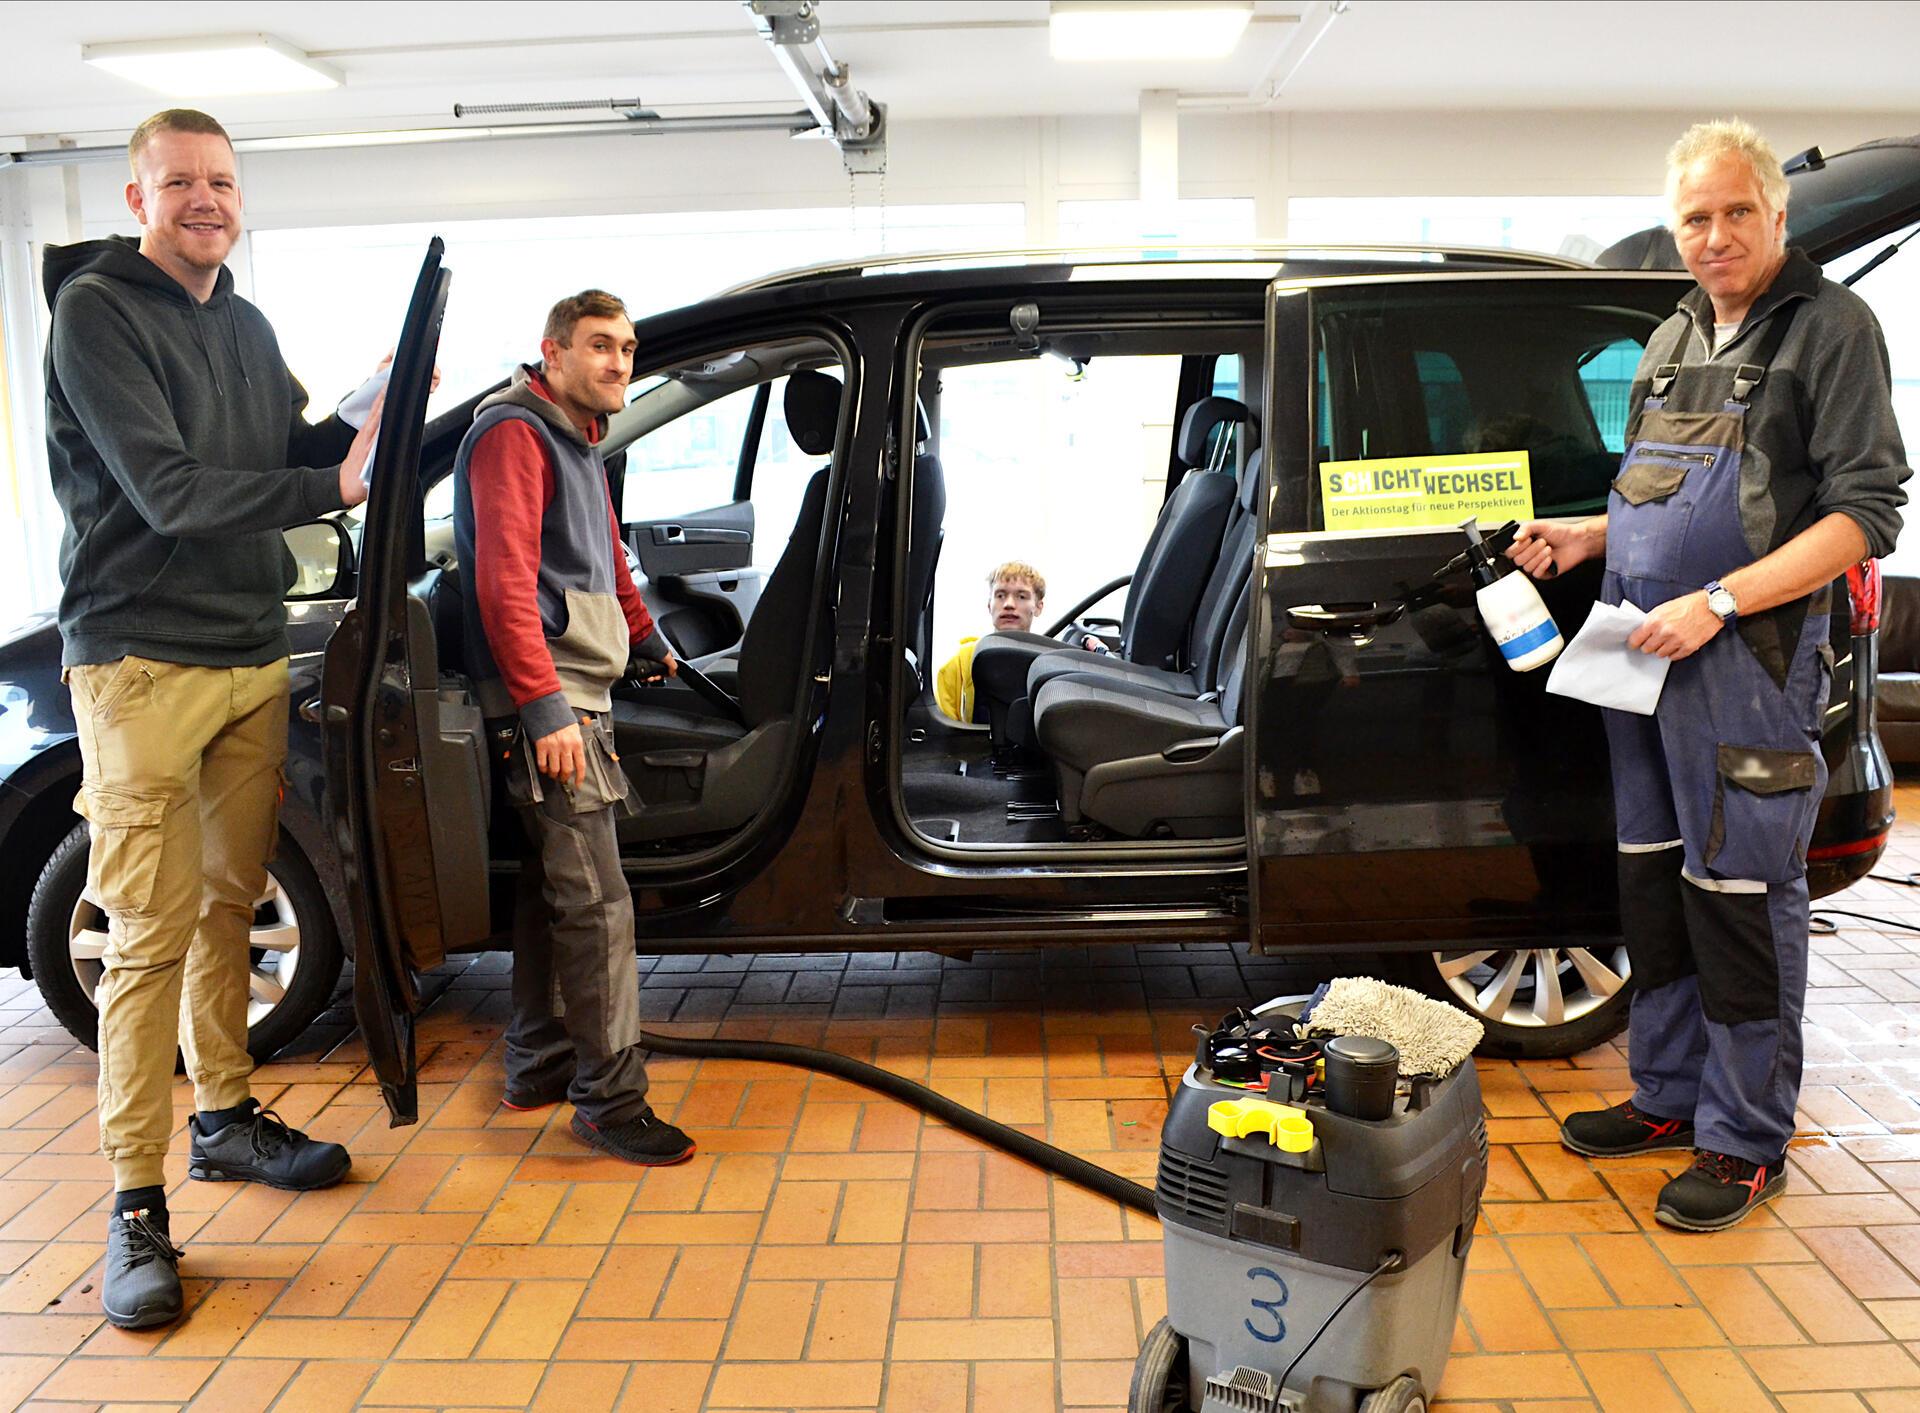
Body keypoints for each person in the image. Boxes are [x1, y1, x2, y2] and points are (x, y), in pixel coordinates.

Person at [1509, 119, 1910, 1231]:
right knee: (1655, 882)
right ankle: (1670, 1094)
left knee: (1740, 898)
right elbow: (1652, 490)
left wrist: (1723, 601)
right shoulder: (1676, 330)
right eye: (1696, 217)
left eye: (1738, 212)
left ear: (1777, 215)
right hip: (1640, 652)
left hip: (1747, 662)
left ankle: (1744, 1140)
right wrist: (1589, 538)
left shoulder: (1830, 330)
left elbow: (1865, 515)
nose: (1717, 235)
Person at [43, 108, 380, 1328]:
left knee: (230, 907)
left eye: (222, 181)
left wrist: (366, 415)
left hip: (245, 654)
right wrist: (328, 481)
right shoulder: (96, 313)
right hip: (138, 661)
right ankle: (136, 1207)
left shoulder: (244, 317)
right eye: (179, 181)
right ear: (138, 196)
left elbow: (287, 447)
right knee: (148, 931)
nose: (205, 199)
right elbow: (173, 490)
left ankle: (226, 1119)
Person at [452, 289, 695, 1169]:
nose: (619, 362)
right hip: (548, 706)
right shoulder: (515, 434)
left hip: (576, 692)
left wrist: (648, 640)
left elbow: (608, 561)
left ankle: (539, 1062)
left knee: (550, 899)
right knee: (598, 906)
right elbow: (505, 585)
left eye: (627, 347)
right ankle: (608, 1100)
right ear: (551, 353)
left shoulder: (580, 442)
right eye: (599, 346)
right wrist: (547, 709)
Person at [936, 561, 1091, 721]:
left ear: (1038, 607)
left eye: (1021, 596)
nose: (1009, 604)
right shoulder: (959, 665)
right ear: (989, 605)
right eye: (1000, 595)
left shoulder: (1053, 665)